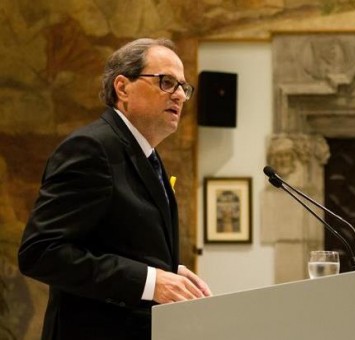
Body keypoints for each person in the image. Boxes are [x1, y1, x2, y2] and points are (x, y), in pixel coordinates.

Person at [18, 38, 212, 340]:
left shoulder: (146, 154)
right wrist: (151, 281)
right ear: (122, 88)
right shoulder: (91, 149)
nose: (178, 95)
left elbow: (117, 240)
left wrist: (170, 271)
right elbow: (41, 252)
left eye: (183, 87)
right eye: (166, 82)